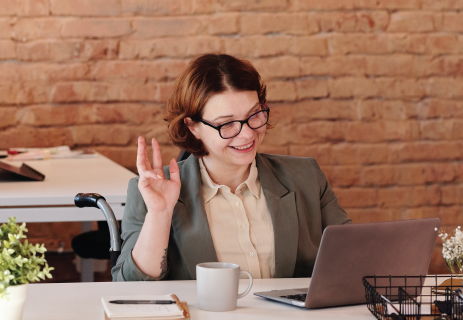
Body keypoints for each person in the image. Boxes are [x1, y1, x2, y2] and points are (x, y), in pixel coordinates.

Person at [112, 54, 351, 282]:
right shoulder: (151, 190)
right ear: (193, 126)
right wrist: (160, 215)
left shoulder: (306, 177)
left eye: (255, 114)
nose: (247, 134)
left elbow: (353, 258)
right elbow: (130, 284)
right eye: (226, 124)